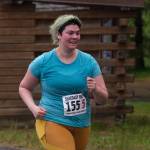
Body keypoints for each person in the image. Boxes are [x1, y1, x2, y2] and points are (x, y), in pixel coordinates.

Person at [19, 14, 108, 150]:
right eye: (70, 33)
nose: (75, 37)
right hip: (51, 120)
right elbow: (24, 87)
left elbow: (103, 99)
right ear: (59, 34)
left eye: (77, 33)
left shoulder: (89, 62)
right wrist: (33, 108)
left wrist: (95, 89)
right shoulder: (43, 61)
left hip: (81, 124)